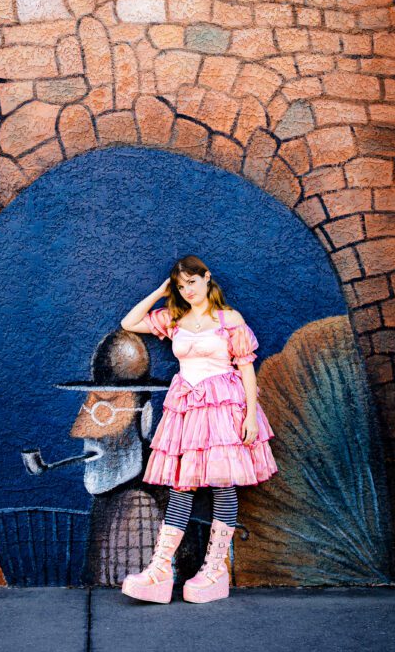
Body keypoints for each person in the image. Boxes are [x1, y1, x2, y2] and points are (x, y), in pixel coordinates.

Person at [119, 254, 278, 604]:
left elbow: (247, 369)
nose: (187, 290)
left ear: (207, 278)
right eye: (180, 285)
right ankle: (160, 571)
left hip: (224, 409)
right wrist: (160, 293)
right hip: (187, 411)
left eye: (192, 281)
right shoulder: (175, 319)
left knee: (223, 485)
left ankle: (215, 570)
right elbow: (129, 322)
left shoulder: (228, 320)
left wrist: (251, 416)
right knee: (181, 485)